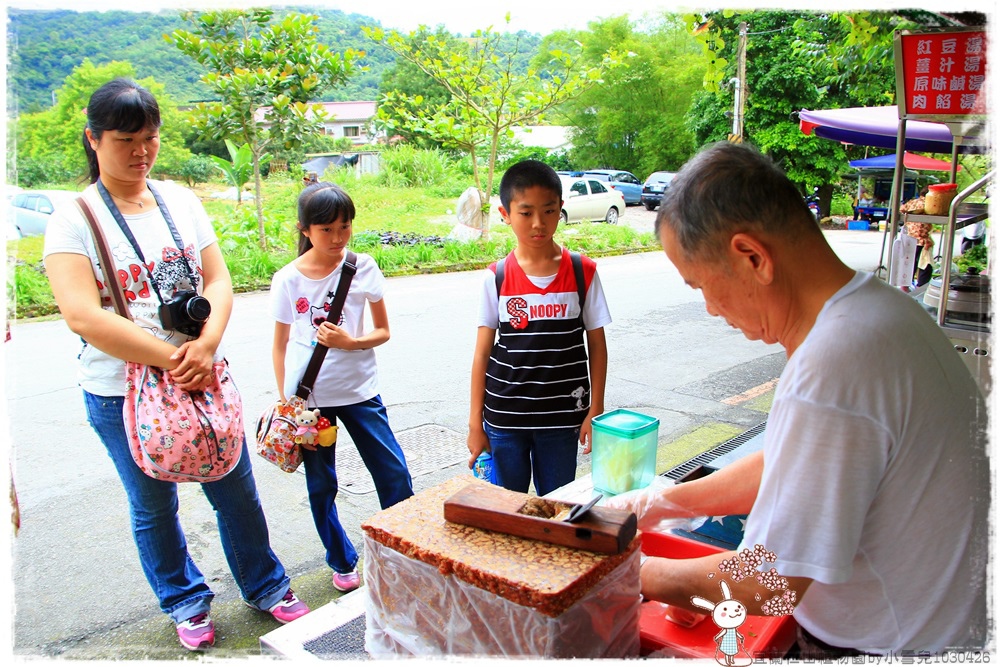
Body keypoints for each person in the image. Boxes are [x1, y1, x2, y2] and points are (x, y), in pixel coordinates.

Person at [607, 142, 988, 656]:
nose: (710, 309)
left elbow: (770, 581)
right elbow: (799, 462)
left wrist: (635, 573)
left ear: (752, 257)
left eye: (700, 285)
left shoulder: (837, 363)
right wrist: (662, 502)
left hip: (892, 647)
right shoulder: (880, 310)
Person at [43, 78, 309, 652]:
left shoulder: (179, 202)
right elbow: (82, 315)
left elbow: (218, 278)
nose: (141, 152)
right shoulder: (73, 219)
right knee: (152, 503)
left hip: (201, 375)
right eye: (125, 140)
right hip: (122, 391)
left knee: (235, 488)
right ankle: (184, 599)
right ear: (93, 139)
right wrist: (173, 359)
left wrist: (207, 345)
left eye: (151, 138)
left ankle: (266, 585)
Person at [269, 181, 414, 593]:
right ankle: (342, 560)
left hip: (361, 391)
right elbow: (279, 344)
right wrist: (285, 401)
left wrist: (351, 342)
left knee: (393, 473)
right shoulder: (287, 280)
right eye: (326, 229)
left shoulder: (362, 266)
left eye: (344, 227)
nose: (337, 238)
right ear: (304, 229)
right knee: (321, 486)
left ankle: (402, 549)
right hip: (311, 403)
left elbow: (383, 330)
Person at [467, 160, 611, 496]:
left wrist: (596, 409)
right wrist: (476, 421)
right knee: (507, 507)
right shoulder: (497, 277)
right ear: (506, 213)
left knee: (558, 506)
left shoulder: (583, 272)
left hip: (562, 419)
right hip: (505, 419)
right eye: (526, 212)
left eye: (548, 211)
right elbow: (482, 354)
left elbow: (598, 347)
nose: (538, 223)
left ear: (560, 208)